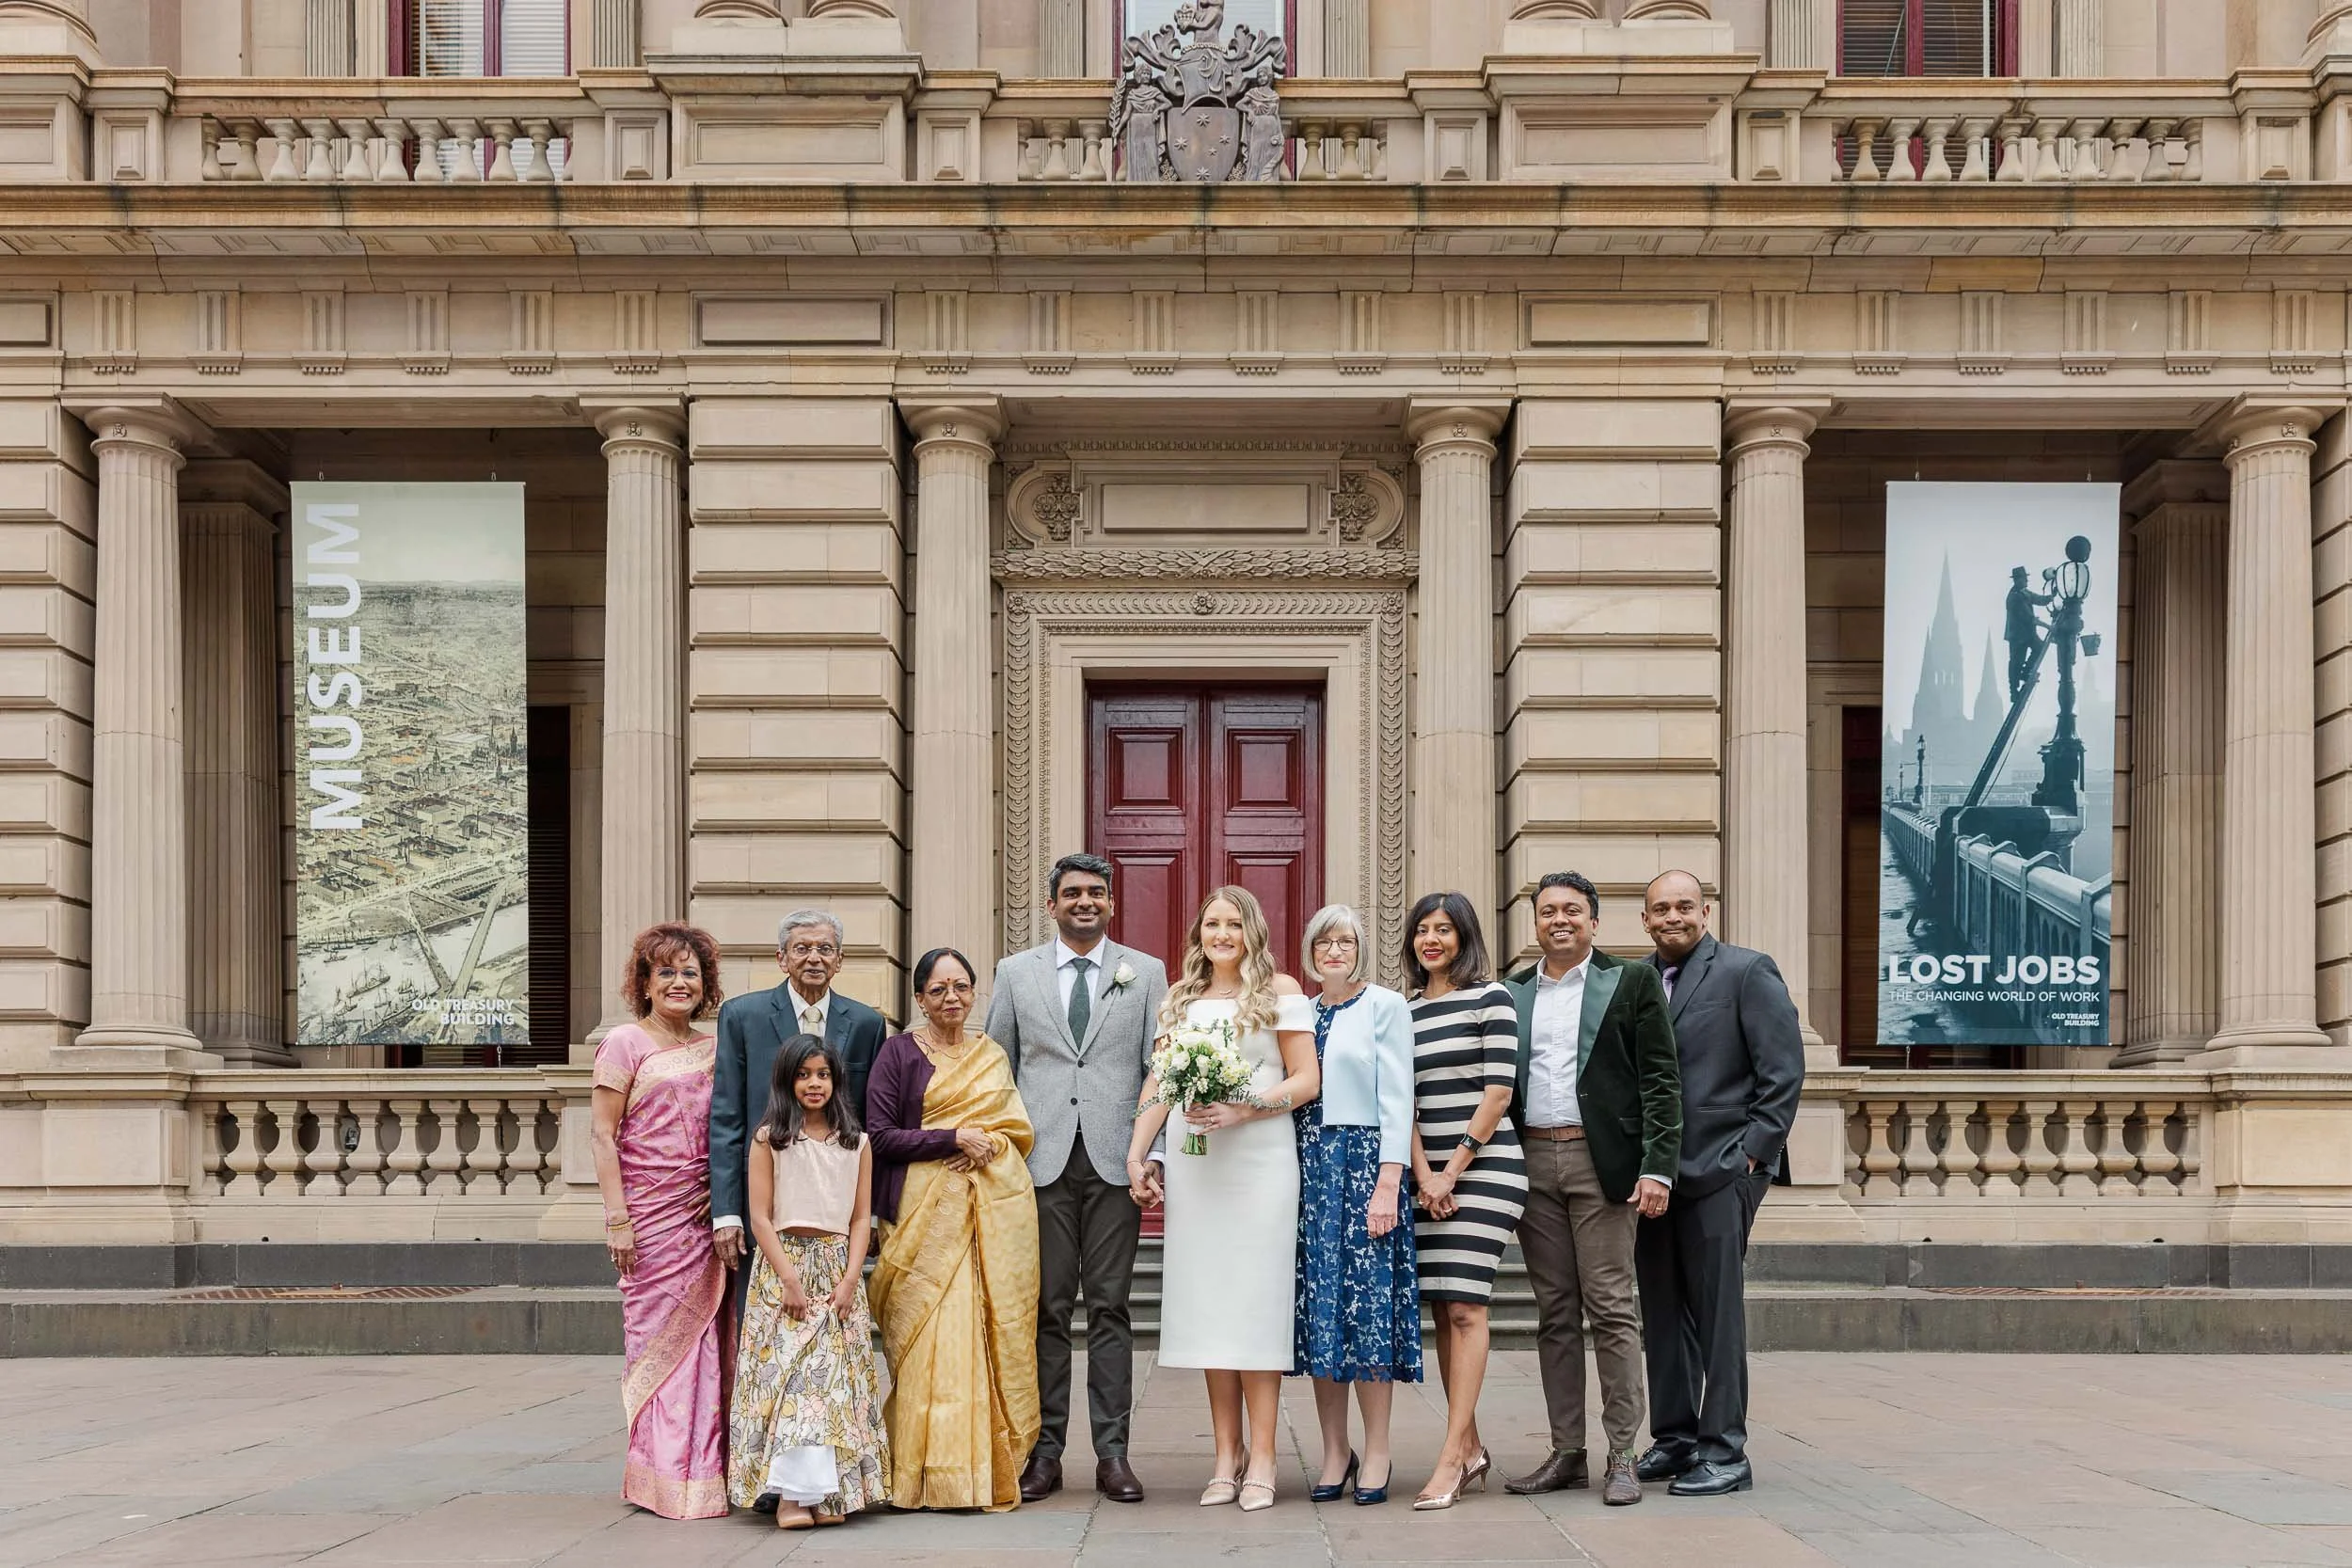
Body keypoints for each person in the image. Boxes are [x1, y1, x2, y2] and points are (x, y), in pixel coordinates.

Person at [983, 852, 1168, 1505]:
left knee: (1113, 1308)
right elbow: (995, 1066)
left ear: (1112, 902)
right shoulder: (1015, 973)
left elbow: (1161, 1068)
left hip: (1119, 1163)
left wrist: (1155, 1156)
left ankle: (1114, 1454)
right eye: (1071, 892)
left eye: (1095, 892)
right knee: (1048, 1310)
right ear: (1052, 903)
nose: (1084, 901)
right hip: (1041, 1167)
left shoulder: (1146, 972)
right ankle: (1045, 1452)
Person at [1126, 886, 1318, 1513]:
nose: (1223, 933)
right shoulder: (1179, 998)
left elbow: (1305, 1079)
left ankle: (1264, 1455)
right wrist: (1138, 1151)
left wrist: (1243, 1108)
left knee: (1255, 1307)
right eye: (1213, 922)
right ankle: (1224, 1454)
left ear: (1252, 929)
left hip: (1260, 1162)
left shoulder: (1282, 991)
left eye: (1234, 922)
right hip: (1197, 1165)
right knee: (1212, 1308)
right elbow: (1159, 1082)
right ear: (1198, 932)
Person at [1499, 871, 1681, 1509]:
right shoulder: (1513, 989)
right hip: (1531, 1163)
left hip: (1600, 1159)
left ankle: (1624, 1454)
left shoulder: (1628, 980)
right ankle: (1568, 1451)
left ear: (1594, 921)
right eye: (1547, 910)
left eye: (1571, 909)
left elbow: (1661, 1076)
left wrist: (1658, 1166)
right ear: (1536, 921)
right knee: (1554, 1311)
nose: (1559, 919)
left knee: (1610, 1307)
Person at [1633, 870, 1805, 1499]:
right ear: (1644, 919)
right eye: (1660, 908)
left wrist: (1751, 1158)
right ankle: (1676, 1437)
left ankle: (1726, 1450)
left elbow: (1783, 1072)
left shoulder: (1746, 970)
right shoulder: (1637, 981)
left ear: (1705, 911)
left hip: (1722, 1170)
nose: (1672, 916)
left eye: (1683, 905)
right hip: (1654, 1176)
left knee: (1717, 1315)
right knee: (1661, 1309)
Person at [865, 947, 1043, 1512]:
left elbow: (1015, 1130)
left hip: (984, 1216)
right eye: (938, 989)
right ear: (919, 998)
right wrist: (952, 1138)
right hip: (918, 1219)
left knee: (982, 1332)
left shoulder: (990, 1054)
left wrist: (987, 1141)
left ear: (973, 994)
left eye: (961, 987)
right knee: (927, 1344)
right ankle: (916, 1474)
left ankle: (980, 1470)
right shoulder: (897, 1054)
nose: (951, 998)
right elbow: (879, 1135)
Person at [590, 923, 731, 1520]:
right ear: (644, 983)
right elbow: (603, 1134)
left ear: (705, 986)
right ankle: (658, 1474)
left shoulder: (715, 1046)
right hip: (649, 1220)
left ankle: (706, 1474)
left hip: (703, 1219)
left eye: (690, 973)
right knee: (659, 1345)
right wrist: (617, 1220)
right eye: (667, 972)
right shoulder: (625, 1044)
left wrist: (720, 1193)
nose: (680, 982)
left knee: (709, 1344)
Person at [726, 1035, 889, 1529]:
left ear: (836, 1080)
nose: (813, 1083)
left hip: (837, 1267)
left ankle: (828, 1494)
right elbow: (759, 1217)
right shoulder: (770, 1139)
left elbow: (862, 1218)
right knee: (792, 1383)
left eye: (822, 1074)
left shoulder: (855, 1143)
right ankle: (793, 1498)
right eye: (803, 1074)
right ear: (786, 1081)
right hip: (785, 1269)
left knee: (834, 1386)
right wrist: (789, 1278)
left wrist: (849, 1279)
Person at [1401, 891, 1527, 1512]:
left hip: (1485, 1170)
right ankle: (1471, 1445)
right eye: (1423, 929)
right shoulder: (1402, 1010)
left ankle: (1451, 1456)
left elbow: (1499, 1092)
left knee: (1467, 1308)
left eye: (1444, 929)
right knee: (1442, 1310)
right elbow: (1400, 1101)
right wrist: (1424, 1173)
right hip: (1428, 1178)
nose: (1432, 939)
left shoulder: (1491, 997)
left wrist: (1452, 1170)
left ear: (1464, 936)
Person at [1292, 903, 1421, 1508]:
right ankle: (1334, 1449)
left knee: (1366, 1310)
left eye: (1345, 942)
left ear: (1359, 950)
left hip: (1365, 1164)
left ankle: (1378, 1450)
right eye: (1324, 943)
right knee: (1323, 1313)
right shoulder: (1302, 1011)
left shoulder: (1385, 1006)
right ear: (1311, 953)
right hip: (1310, 1168)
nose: (1334, 952)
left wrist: (1389, 1183)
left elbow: (1399, 1097)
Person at [711, 911, 889, 1323]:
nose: (814, 958)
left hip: (835, 1208)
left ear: (839, 960)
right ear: (781, 957)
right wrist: (726, 1212)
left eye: (825, 949)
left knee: (834, 1330)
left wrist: (874, 1213)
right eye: (802, 948)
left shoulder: (867, 1024)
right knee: (765, 1330)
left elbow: (872, 1122)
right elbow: (726, 1115)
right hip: (765, 1201)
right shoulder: (742, 1016)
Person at [2006, 565, 2054, 697]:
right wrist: (2049, 627)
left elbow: (2040, 600)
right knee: (2016, 662)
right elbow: (2030, 618)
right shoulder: (2014, 597)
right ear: (2017, 580)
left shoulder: (2024, 592)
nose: (2027, 581)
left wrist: (2053, 596)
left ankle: (2026, 672)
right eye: (2024, 578)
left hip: (2028, 634)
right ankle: (2014, 691)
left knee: (2040, 648)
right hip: (2018, 636)